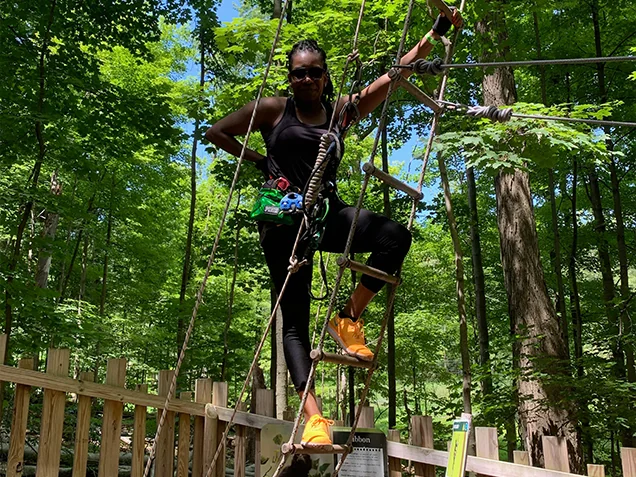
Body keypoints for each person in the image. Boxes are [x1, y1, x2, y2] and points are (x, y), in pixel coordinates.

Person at [206, 8, 463, 447]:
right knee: (294, 323)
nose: (305, 79)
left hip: (326, 215)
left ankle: (347, 317)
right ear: (290, 78)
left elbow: (394, 76)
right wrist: (261, 162)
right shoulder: (272, 110)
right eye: (298, 73)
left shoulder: (340, 112)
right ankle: (314, 419)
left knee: (394, 236)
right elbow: (217, 133)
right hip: (285, 224)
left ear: (325, 77)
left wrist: (436, 31)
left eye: (314, 73)